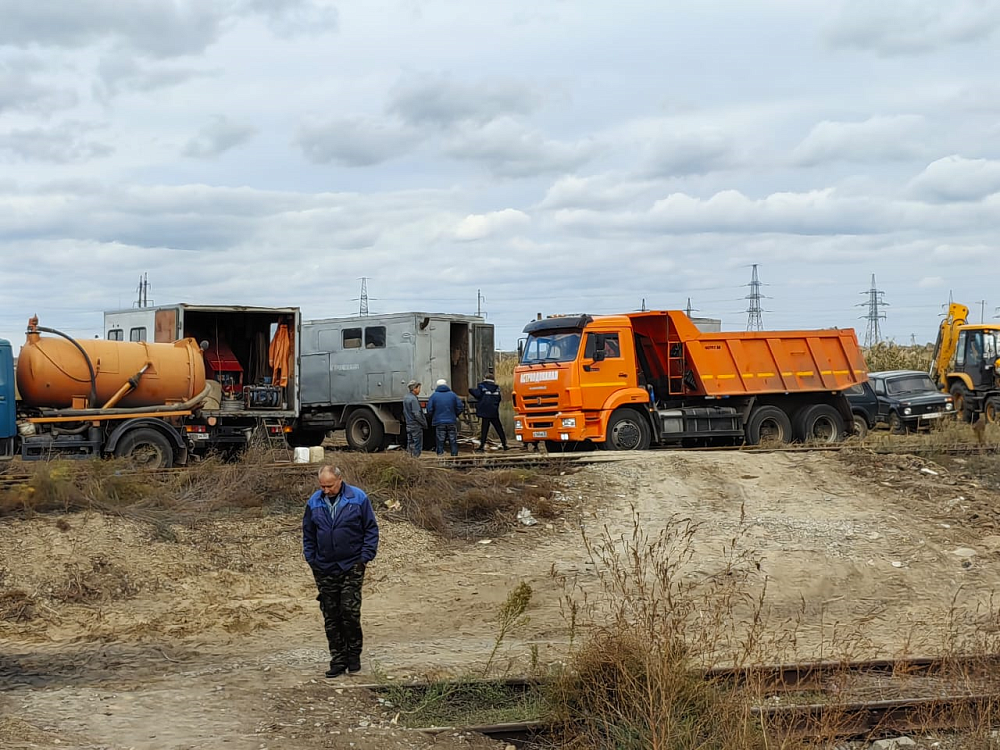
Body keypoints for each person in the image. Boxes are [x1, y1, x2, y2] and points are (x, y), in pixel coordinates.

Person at [302, 465, 379, 678]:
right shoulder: (314, 502)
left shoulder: (358, 498)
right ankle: (338, 659)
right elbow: (308, 534)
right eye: (322, 486)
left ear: (339, 480)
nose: (326, 490)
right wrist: (312, 560)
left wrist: (365, 558)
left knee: (350, 612)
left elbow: (371, 529)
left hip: (352, 565)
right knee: (331, 615)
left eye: (329, 485)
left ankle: (353, 656)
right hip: (324, 567)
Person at [470, 370, 508, 452]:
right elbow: (499, 398)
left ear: (485, 378)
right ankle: (504, 444)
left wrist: (470, 390)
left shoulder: (482, 386)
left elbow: (477, 395)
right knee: (499, 428)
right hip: (494, 411)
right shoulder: (497, 388)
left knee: (484, 429)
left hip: (485, 411)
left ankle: (482, 446)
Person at [425, 378, 464, 456]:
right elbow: (460, 407)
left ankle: (440, 456)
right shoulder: (453, 395)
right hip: (451, 421)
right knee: (453, 440)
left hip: (439, 422)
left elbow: (429, 409)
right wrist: (455, 415)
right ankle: (454, 456)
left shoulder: (434, 396)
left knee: (440, 440)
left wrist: (434, 416)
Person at [403, 380, 427, 457]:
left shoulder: (406, 398)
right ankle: (415, 459)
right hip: (415, 425)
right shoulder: (413, 399)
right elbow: (417, 414)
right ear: (414, 389)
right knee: (417, 444)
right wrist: (424, 423)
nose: (419, 390)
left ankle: (409, 460)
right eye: (419, 388)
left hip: (409, 424)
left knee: (410, 444)